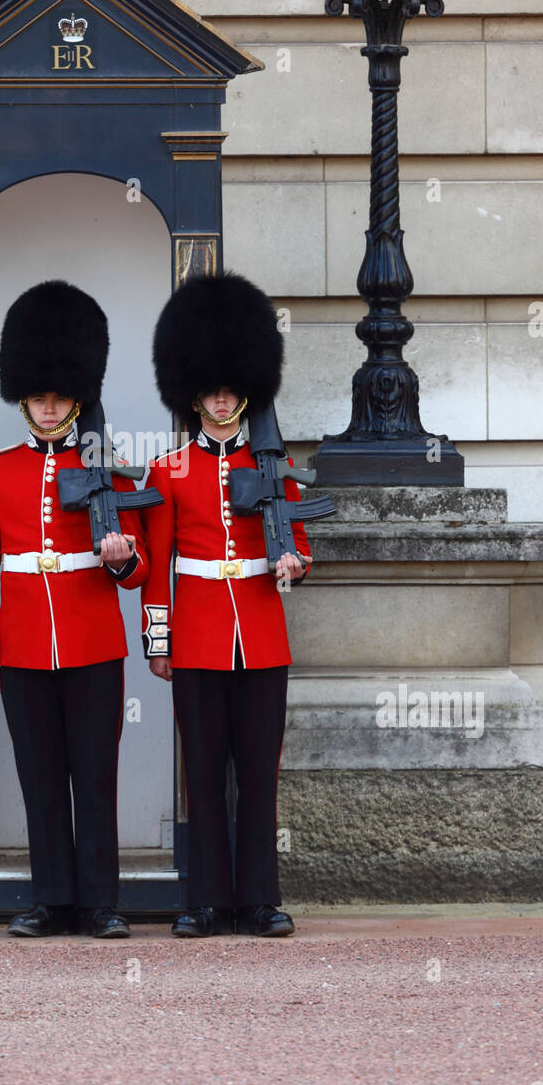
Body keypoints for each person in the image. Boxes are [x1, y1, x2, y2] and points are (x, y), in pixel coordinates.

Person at [0, 279, 148, 939]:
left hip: (94, 643)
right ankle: (53, 901)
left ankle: (100, 902)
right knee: (41, 781)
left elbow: (138, 572)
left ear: (77, 395)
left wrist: (121, 555)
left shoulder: (113, 472)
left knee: (94, 778)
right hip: (25, 647)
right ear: (25, 397)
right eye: (38, 396)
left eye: (58, 395)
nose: (46, 407)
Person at [140, 272, 312, 938]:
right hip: (199, 636)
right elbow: (158, 574)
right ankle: (207, 899)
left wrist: (293, 562)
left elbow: (297, 539)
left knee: (258, 777)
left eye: (231, 386)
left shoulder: (275, 461)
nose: (221, 397)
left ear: (248, 389)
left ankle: (260, 899)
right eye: (211, 388)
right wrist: (160, 643)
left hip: (262, 635)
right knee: (205, 776)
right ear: (194, 393)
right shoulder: (169, 470)